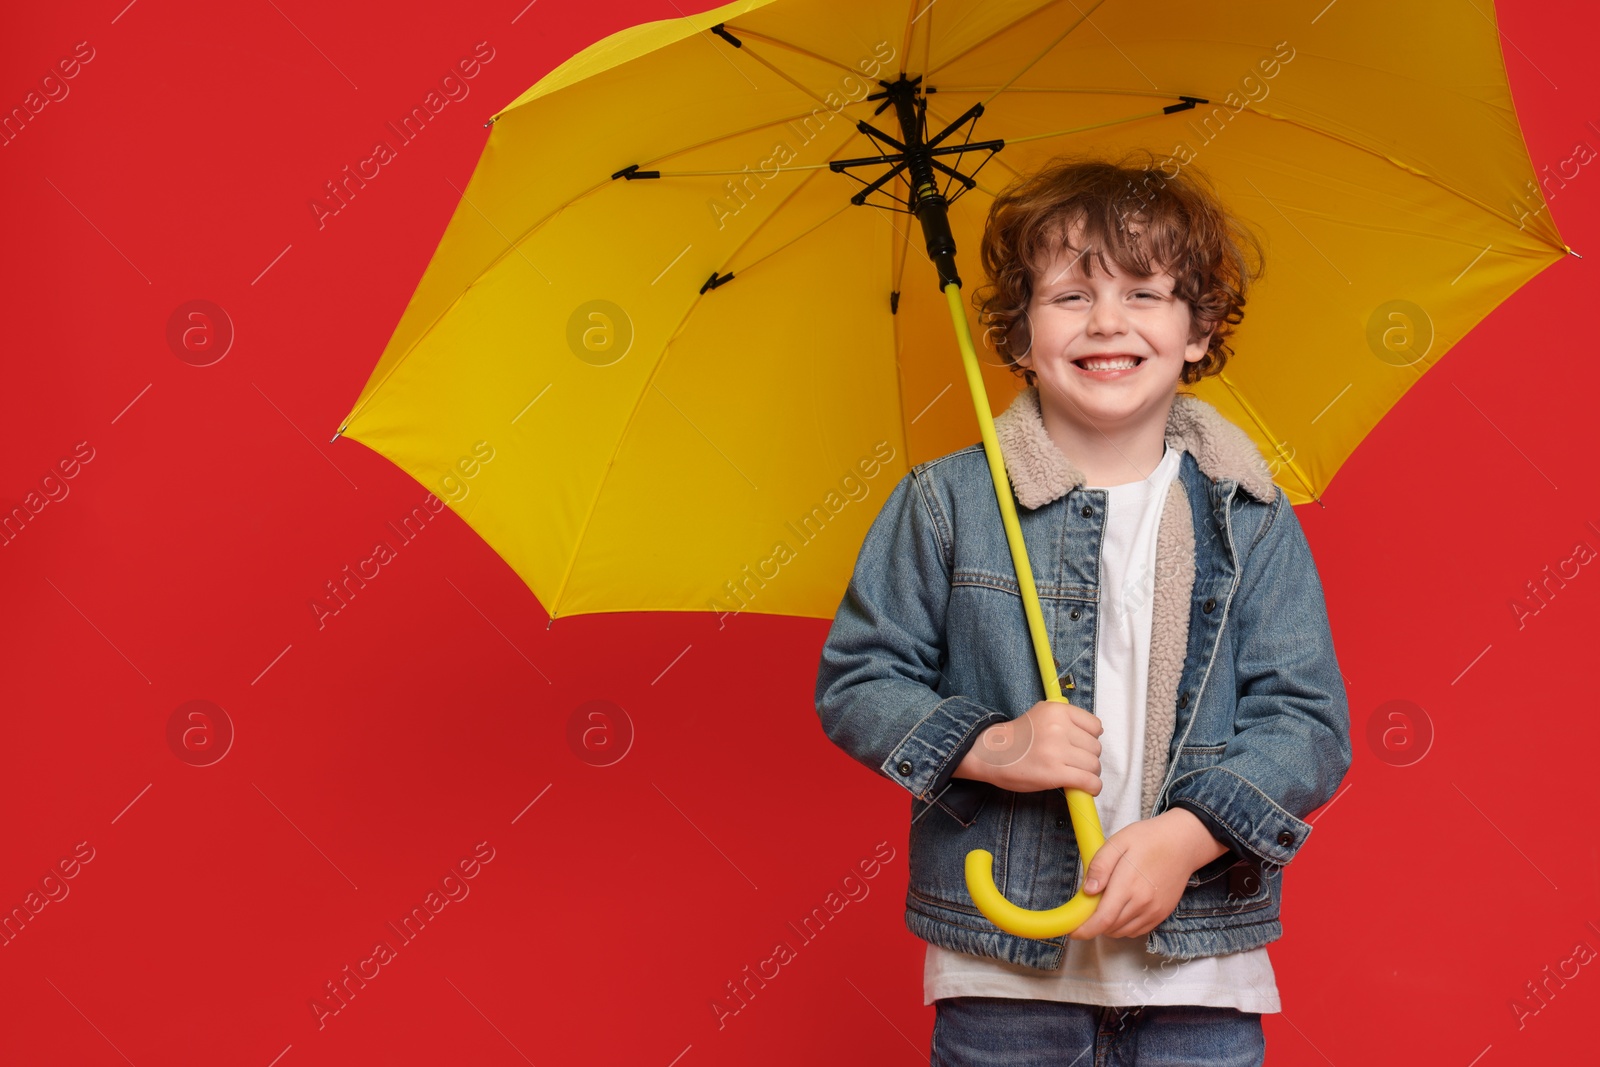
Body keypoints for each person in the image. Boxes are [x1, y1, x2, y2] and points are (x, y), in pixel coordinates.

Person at [813, 150, 1353, 1066]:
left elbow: (1305, 721)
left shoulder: (1247, 514)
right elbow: (859, 679)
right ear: (1018, 335)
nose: (1107, 320)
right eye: (1070, 296)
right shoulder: (946, 502)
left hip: (1199, 969)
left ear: (1199, 329)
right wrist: (991, 744)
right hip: (1003, 968)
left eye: (1144, 293)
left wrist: (1189, 837)